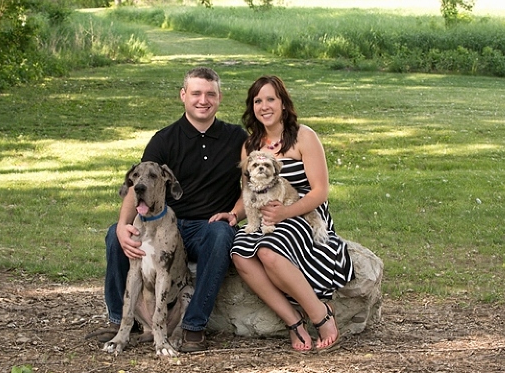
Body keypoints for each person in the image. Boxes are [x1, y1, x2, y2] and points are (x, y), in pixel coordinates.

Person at [103, 66, 246, 353]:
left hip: (207, 226)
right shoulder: (164, 139)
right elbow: (138, 184)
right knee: (113, 236)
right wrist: (122, 225)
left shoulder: (236, 137)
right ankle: (120, 322)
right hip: (163, 223)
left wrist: (235, 214)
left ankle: (193, 325)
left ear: (219, 97)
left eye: (210, 94)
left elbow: (249, 185)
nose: (203, 100)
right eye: (196, 93)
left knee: (222, 235)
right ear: (183, 95)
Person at [229, 75, 354, 352]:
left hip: (304, 212)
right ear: (252, 107)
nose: (264, 106)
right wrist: (234, 215)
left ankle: (321, 315)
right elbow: (248, 193)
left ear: (283, 103)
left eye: (270, 99)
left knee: (268, 251)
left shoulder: (304, 137)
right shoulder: (250, 146)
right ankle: (294, 321)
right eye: (257, 101)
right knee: (239, 253)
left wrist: (285, 213)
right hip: (266, 217)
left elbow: (320, 191)